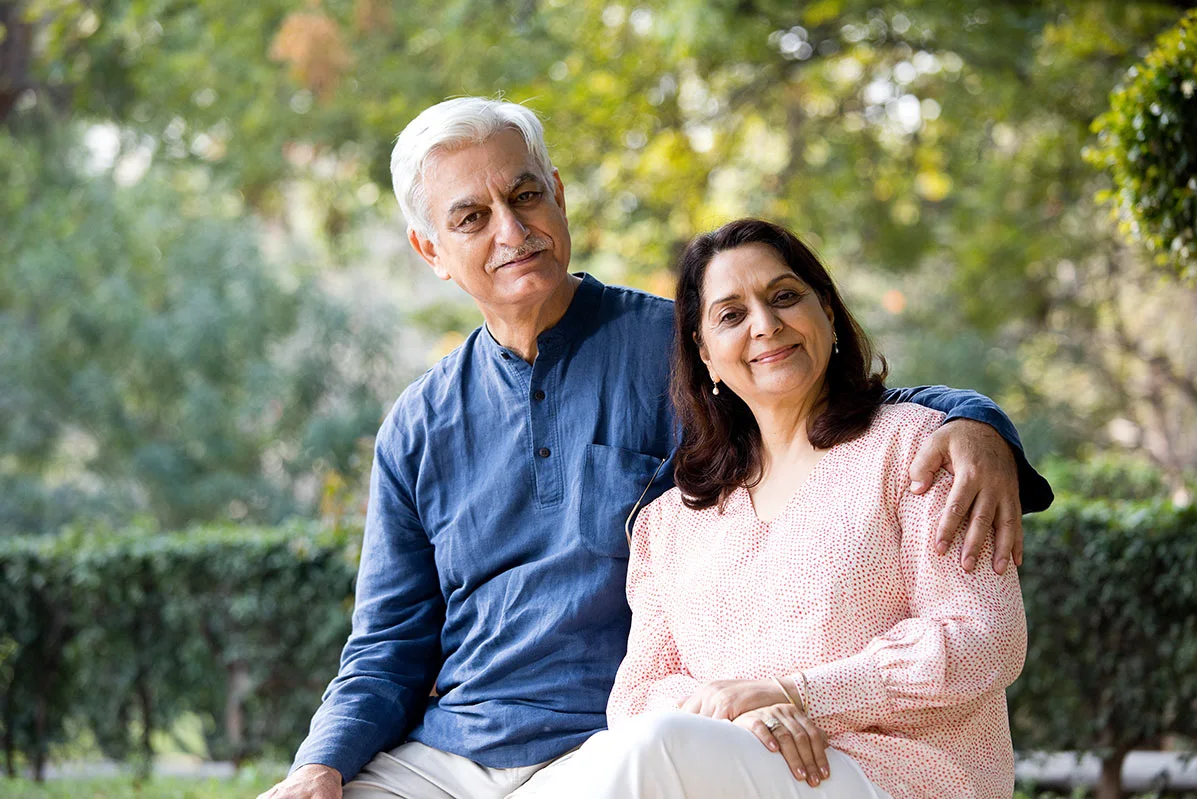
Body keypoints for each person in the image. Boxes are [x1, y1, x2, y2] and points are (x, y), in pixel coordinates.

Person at [257, 98, 1052, 799]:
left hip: (608, 744)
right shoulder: (417, 424)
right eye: (471, 217)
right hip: (452, 750)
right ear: (431, 251)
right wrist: (320, 763)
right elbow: (387, 641)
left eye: (526, 194)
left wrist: (977, 421)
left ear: (559, 197)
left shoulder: (670, 346)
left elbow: (818, 401)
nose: (511, 230)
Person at [523, 218, 1027, 799]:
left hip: (895, 776)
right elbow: (638, 695)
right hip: (728, 766)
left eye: (785, 297)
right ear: (705, 354)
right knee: (606, 758)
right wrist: (734, 715)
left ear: (828, 314)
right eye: (731, 314)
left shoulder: (918, 450)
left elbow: (984, 638)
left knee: (654, 750)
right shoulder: (670, 522)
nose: (766, 325)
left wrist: (799, 694)